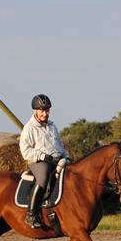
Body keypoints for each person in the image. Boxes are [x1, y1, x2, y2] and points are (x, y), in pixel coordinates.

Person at [19, 93, 69, 228]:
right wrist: (42, 156)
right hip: (39, 162)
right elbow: (25, 150)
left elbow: (59, 145)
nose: (45, 113)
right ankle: (31, 215)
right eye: (42, 110)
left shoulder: (52, 126)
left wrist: (66, 155)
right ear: (35, 110)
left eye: (47, 110)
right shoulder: (29, 128)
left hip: (56, 160)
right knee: (43, 179)